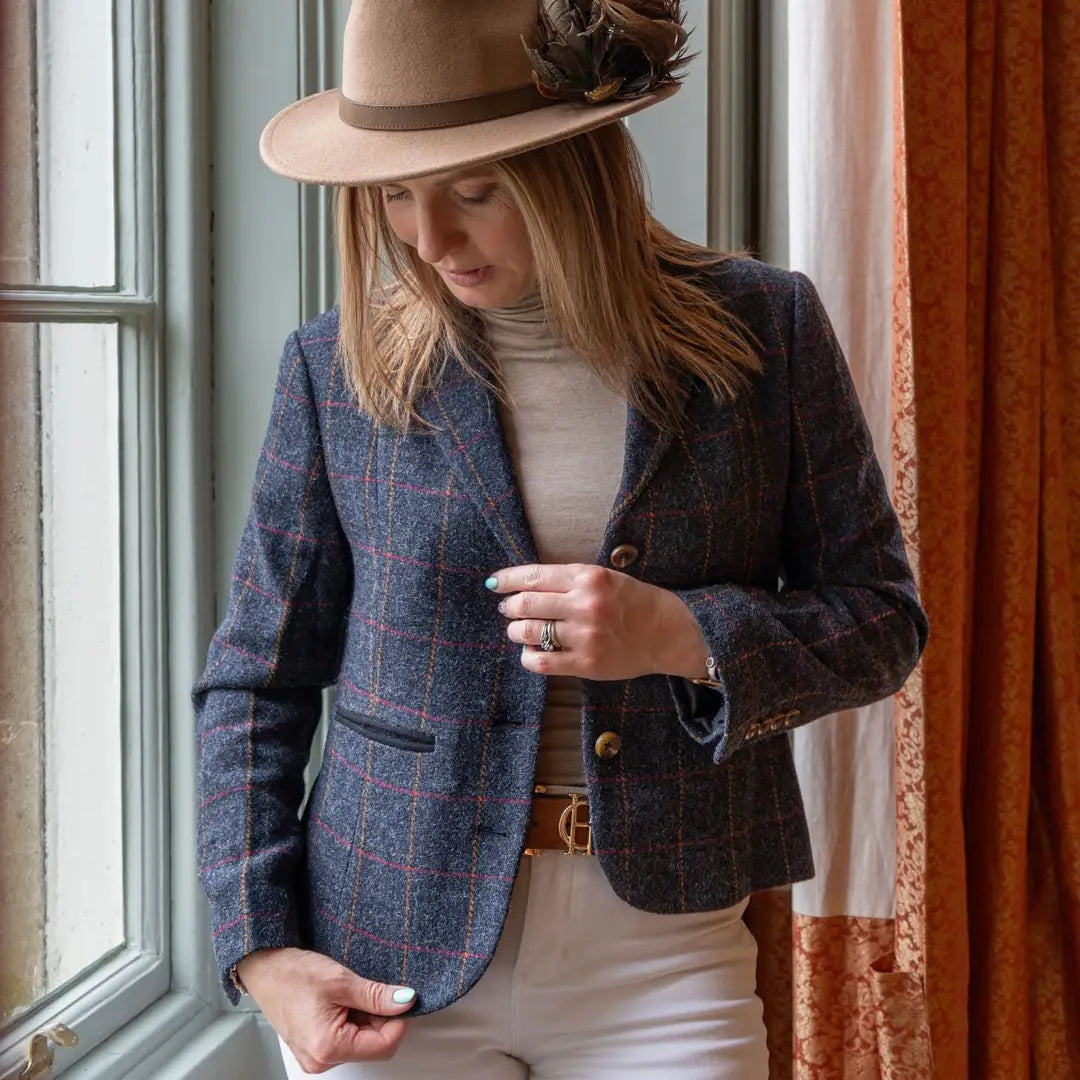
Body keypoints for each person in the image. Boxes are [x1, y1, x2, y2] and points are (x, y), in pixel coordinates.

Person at [194, 1, 929, 1076]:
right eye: (396, 194)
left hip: (666, 951)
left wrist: (686, 633)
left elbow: (880, 619)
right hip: (382, 950)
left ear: (575, 166)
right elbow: (256, 678)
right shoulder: (335, 370)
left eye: (474, 192)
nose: (428, 239)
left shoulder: (764, 331)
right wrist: (259, 948)